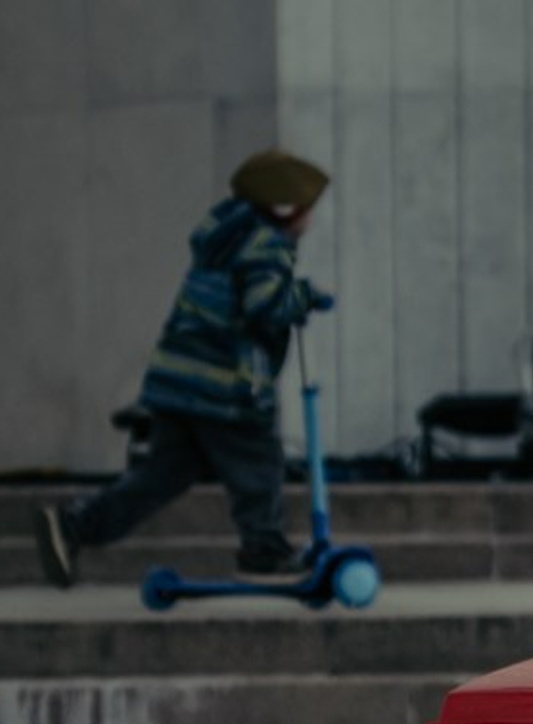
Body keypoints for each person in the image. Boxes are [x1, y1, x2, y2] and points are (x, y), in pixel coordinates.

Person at [35, 151, 333, 589]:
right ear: (289, 210)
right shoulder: (267, 243)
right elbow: (263, 305)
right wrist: (304, 298)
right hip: (226, 386)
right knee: (259, 464)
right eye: (309, 210)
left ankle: (74, 527)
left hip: (179, 380)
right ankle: (263, 550)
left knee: (161, 477)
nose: (311, 219)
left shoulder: (224, 236)